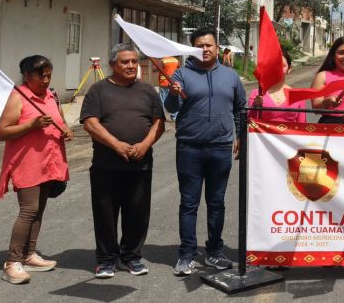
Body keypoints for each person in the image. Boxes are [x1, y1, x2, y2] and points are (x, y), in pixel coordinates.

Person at [165, 26, 247, 276]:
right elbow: (170, 108)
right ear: (193, 48)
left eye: (208, 45)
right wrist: (173, 94)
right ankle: (187, 254)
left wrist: (240, 136)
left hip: (221, 148)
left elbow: (240, 108)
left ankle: (213, 252)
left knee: (217, 203)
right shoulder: (181, 74)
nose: (204, 49)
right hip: (189, 148)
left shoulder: (230, 76)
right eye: (199, 45)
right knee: (189, 204)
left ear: (217, 47)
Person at [80, 44, 165, 279]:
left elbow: (159, 123)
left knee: (137, 212)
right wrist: (116, 144)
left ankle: (131, 257)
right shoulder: (98, 90)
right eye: (125, 62)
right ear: (112, 64)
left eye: (134, 62)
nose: (131, 66)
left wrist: (145, 144)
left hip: (140, 164)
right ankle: (106, 259)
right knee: (105, 213)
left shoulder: (148, 91)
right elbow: (90, 123)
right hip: (106, 165)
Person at [0, 55, 73, 284]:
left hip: (49, 162)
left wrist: (65, 129)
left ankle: (29, 255)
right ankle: (12, 262)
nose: (46, 80)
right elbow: (2, 131)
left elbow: (59, 119)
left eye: (49, 75)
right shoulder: (17, 97)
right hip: (27, 164)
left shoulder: (52, 95)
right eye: (42, 76)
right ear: (27, 76)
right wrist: (30, 125)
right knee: (28, 210)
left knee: (38, 210)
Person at [248, 51, 306, 123]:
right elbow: (250, 123)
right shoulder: (257, 93)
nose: (278, 69)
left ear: (289, 68)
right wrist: (256, 107)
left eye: (282, 65)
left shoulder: (298, 96)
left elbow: (302, 126)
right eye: (274, 65)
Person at [158, 56, 180, 122]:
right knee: (173, 99)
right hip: (173, 82)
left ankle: (162, 116)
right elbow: (179, 69)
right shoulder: (176, 60)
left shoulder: (163, 60)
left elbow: (156, 69)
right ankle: (174, 116)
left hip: (164, 83)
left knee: (163, 100)